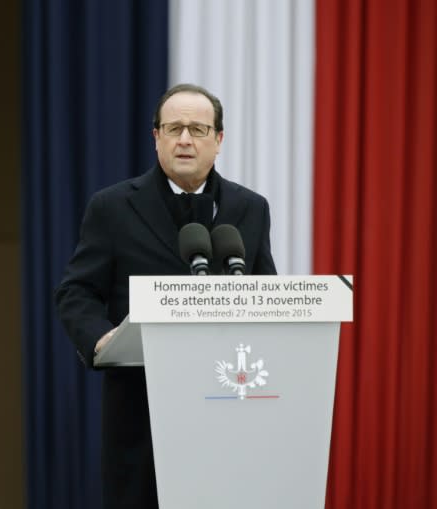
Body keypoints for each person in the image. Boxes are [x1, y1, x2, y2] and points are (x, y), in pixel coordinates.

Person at [54, 83, 277, 508]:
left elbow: (263, 291)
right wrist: (100, 339)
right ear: (156, 137)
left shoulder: (251, 208)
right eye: (174, 128)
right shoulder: (113, 207)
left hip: (230, 405)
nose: (186, 140)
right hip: (142, 413)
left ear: (219, 140)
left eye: (198, 129)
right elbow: (76, 290)